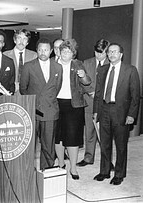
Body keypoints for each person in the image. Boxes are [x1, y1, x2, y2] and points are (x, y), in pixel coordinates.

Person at [93, 43, 140, 185]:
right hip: (104, 110)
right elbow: (98, 93)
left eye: (115, 52)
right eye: (110, 52)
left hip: (121, 112)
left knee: (120, 144)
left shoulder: (130, 70)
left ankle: (119, 174)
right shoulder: (102, 69)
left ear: (121, 55)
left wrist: (131, 114)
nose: (112, 54)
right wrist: (96, 111)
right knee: (104, 143)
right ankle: (104, 171)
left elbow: (135, 95)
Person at [20, 38, 62, 170]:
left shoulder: (58, 67)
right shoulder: (28, 66)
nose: (43, 52)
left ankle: (47, 170)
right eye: (40, 49)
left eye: (46, 50)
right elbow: (23, 88)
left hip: (50, 110)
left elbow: (57, 87)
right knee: (30, 144)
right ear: (37, 51)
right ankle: (28, 171)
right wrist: (35, 102)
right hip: (33, 110)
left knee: (48, 144)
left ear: (51, 51)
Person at [55, 39, 91, 180]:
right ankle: (61, 163)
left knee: (73, 137)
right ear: (59, 52)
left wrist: (83, 76)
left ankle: (74, 168)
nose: (65, 53)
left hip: (74, 105)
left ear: (73, 54)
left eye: (68, 51)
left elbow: (87, 82)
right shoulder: (53, 65)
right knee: (58, 136)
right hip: (56, 103)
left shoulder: (78, 64)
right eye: (63, 51)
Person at [77, 39, 110, 167]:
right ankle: (88, 157)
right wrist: (91, 92)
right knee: (89, 131)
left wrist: (99, 95)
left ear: (107, 52)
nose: (99, 55)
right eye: (97, 52)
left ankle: (107, 160)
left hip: (105, 104)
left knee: (105, 134)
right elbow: (81, 81)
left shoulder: (111, 64)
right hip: (89, 102)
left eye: (102, 53)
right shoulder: (87, 63)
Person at [3, 29, 37, 94]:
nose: (21, 41)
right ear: (14, 40)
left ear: (27, 42)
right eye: (19, 38)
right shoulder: (5, 55)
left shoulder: (34, 56)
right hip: (9, 92)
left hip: (28, 93)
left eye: (25, 39)